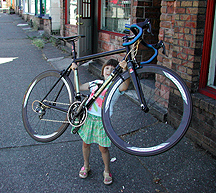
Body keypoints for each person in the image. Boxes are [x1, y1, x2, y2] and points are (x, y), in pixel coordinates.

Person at [70, 59, 129, 185]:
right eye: (107, 68)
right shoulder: (95, 83)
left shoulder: (115, 87)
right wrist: (75, 71)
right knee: (86, 143)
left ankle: (107, 170)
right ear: (102, 71)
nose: (109, 71)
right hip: (89, 118)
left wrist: (125, 70)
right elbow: (78, 87)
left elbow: (125, 86)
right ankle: (86, 165)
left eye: (113, 69)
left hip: (103, 121)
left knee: (103, 148)